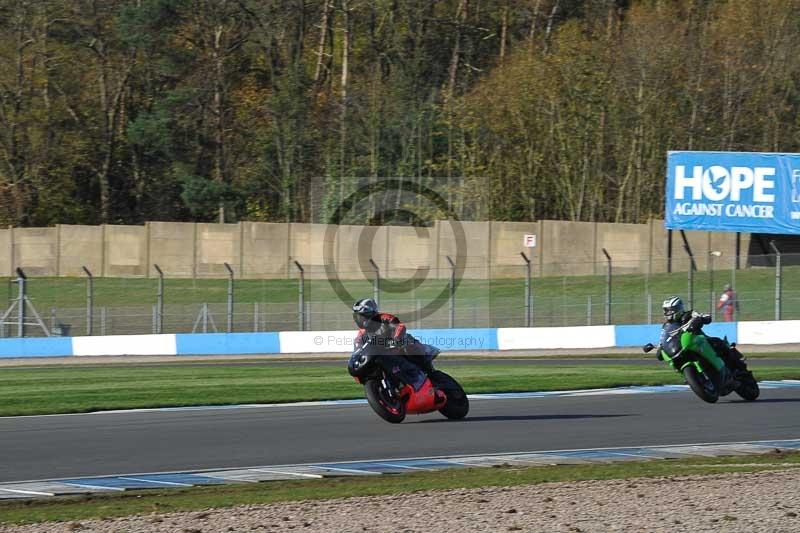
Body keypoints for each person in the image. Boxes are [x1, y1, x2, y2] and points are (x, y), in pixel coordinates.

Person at [660, 296, 744, 384]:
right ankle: (693, 377)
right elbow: (663, 337)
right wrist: (660, 347)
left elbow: (704, 316)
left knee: (717, 342)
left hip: (700, 341)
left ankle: (736, 364)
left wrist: (703, 318)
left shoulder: (689, 314)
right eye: (666, 310)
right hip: (684, 347)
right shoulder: (666, 326)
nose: (668, 313)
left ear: (678, 308)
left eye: (670, 310)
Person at [351, 298, 434, 372]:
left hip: (400, 345)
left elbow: (400, 326)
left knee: (410, 346)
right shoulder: (363, 331)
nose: (359, 319)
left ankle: (428, 369)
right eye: (357, 316)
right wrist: (357, 353)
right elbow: (358, 342)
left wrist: (397, 339)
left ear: (369, 314)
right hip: (384, 353)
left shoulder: (384, 318)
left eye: (362, 316)